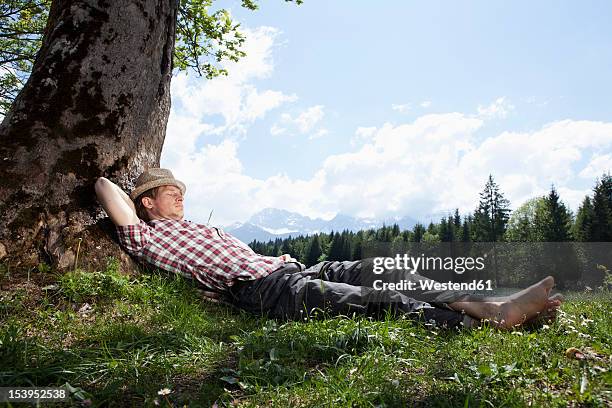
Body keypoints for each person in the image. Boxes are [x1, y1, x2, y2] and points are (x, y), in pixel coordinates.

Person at [95, 168, 563, 330]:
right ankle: (483, 325)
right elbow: (102, 185)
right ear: (146, 203)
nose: (179, 194)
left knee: (385, 271)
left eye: (180, 189)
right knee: (380, 303)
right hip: (267, 290)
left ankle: (494, 308)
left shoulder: (198, 225)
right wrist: (134, 199)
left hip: (292, 267)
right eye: (167, 190)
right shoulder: (148, 236)